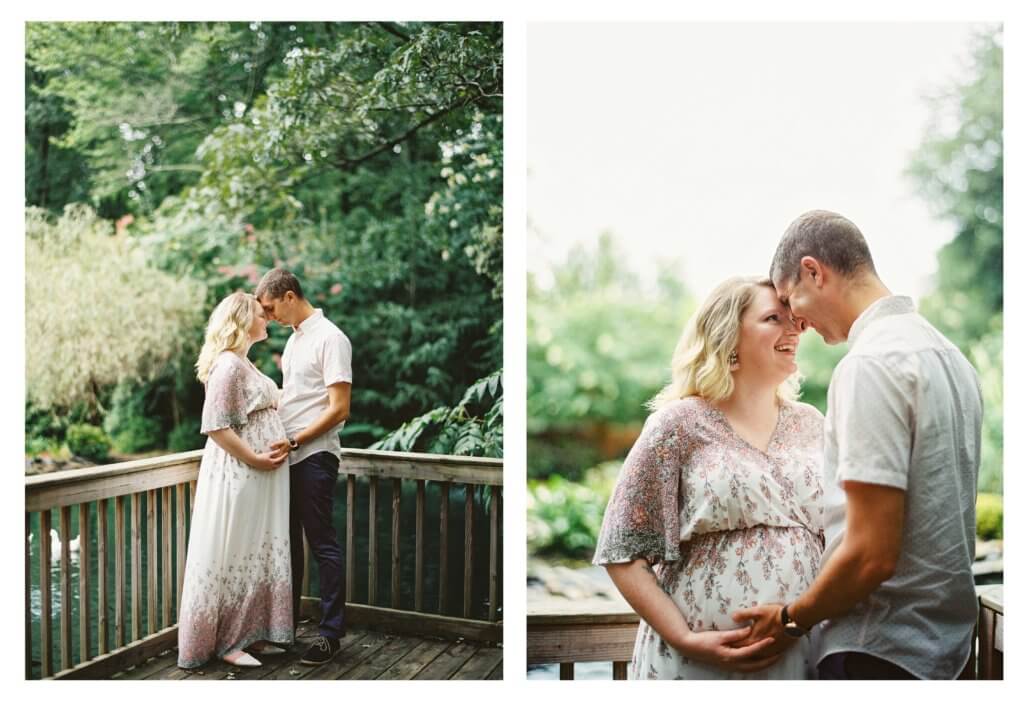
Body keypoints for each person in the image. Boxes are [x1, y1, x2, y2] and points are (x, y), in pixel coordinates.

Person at [732, 210, 984, 679]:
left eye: (792, 298)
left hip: (879, 651)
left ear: (814, 271)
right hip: (946, 653)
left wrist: (790, 620)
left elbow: (871, 553)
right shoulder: (952, 359)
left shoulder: (870, 365)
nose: (797, 322)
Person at [593, 276, 825, 679]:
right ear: (728, 337)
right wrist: (683, 638)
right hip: (697, 661)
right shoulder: (677, 424)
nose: (795, 328)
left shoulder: (813, 425)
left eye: (794, 319)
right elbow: (622, 550)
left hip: (802, 650)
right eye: (774, 318)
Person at [178, 292, 293, 669]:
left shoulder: (244, 363)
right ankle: (228, 641)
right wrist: (256, 458)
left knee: (252, 553)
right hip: (241, 473)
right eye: (262, 315)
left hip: (258, 476)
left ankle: (250, 633)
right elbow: (215, 427)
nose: (268, 319)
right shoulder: (228, 366)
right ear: (243, 320)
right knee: (236, 553)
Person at [256, 268, 352, 666]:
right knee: (288, 546)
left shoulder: (332, 338)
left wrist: (297, 440)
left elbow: (340, 408)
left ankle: (330, 635)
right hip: (287, 456)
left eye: (270, 307)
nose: (268, 315)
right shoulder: (295, 342)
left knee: (322, 544)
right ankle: (286, 629)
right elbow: (292, 399)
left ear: (290, 296)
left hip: (315, 455)